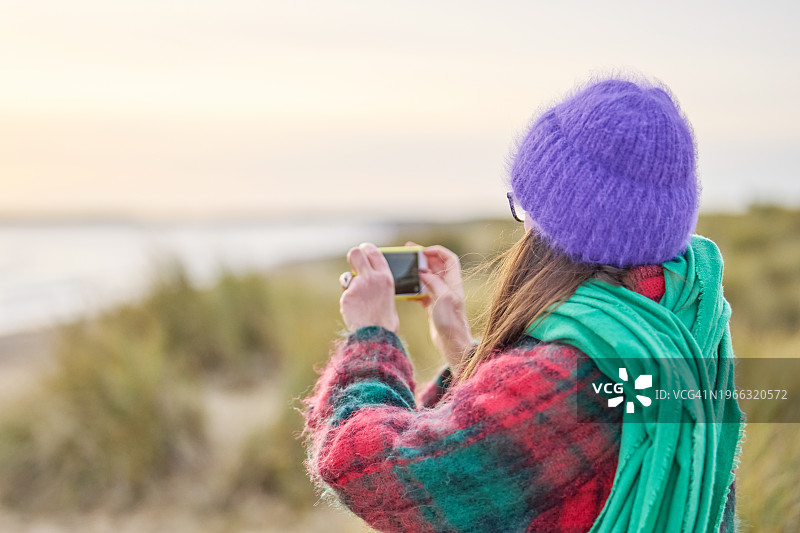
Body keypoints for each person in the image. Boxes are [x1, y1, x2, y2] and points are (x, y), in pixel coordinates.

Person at [302, 74, 744, 532]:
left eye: (524, 206)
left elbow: (371, 471)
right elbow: (544, 446)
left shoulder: (565, 374)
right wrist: (458, 342)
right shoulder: (688, 313)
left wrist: (372, 337)